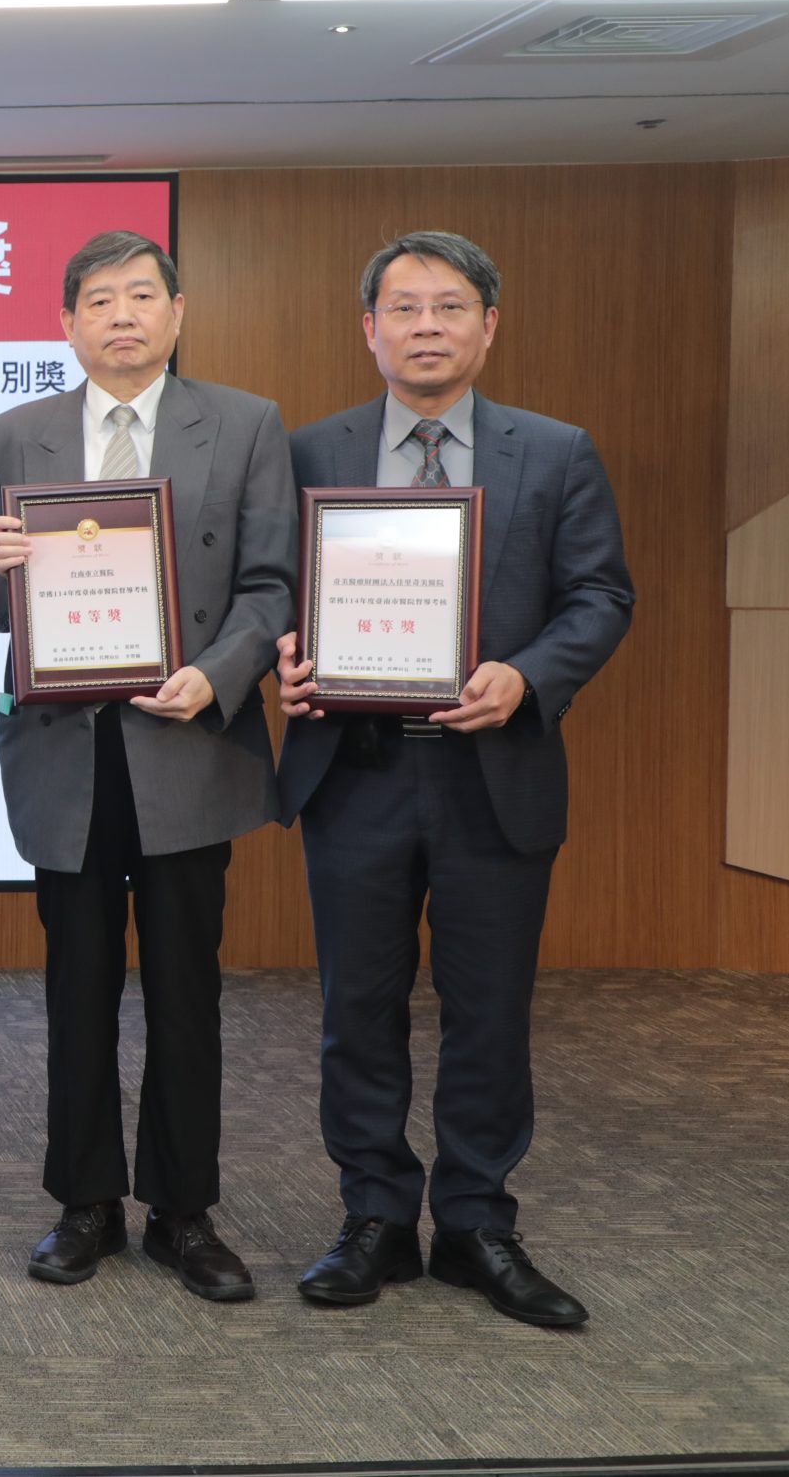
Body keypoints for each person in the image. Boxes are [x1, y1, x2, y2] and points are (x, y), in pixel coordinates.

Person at [277, 230, 632, 1328]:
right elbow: (271, 589)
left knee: (489, 1009)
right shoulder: (311, 449)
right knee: (357, 1007)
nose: (425, 326)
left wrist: (527, 677)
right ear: (368, 328)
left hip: (495, 771)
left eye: (448, 306)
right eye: (403, 307)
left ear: (489, 325)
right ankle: (375, 1215)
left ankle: (477, 1221)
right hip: (357, 771)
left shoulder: (555, 451)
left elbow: (600, 597)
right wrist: (282, 658)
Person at [0, 230, 295, 1301]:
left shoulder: (244, 424)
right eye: (98, 299)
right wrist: (2, 569)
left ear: (177, 312)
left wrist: (217, 674)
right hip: (66, 754)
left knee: (186, 989)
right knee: (77, 987)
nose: (121, 315)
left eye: (142, 295)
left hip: (187, 742)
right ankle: (86, 1202)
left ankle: (183, 1211)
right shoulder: (9, 437)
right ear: (66, 323)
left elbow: (273, 581)